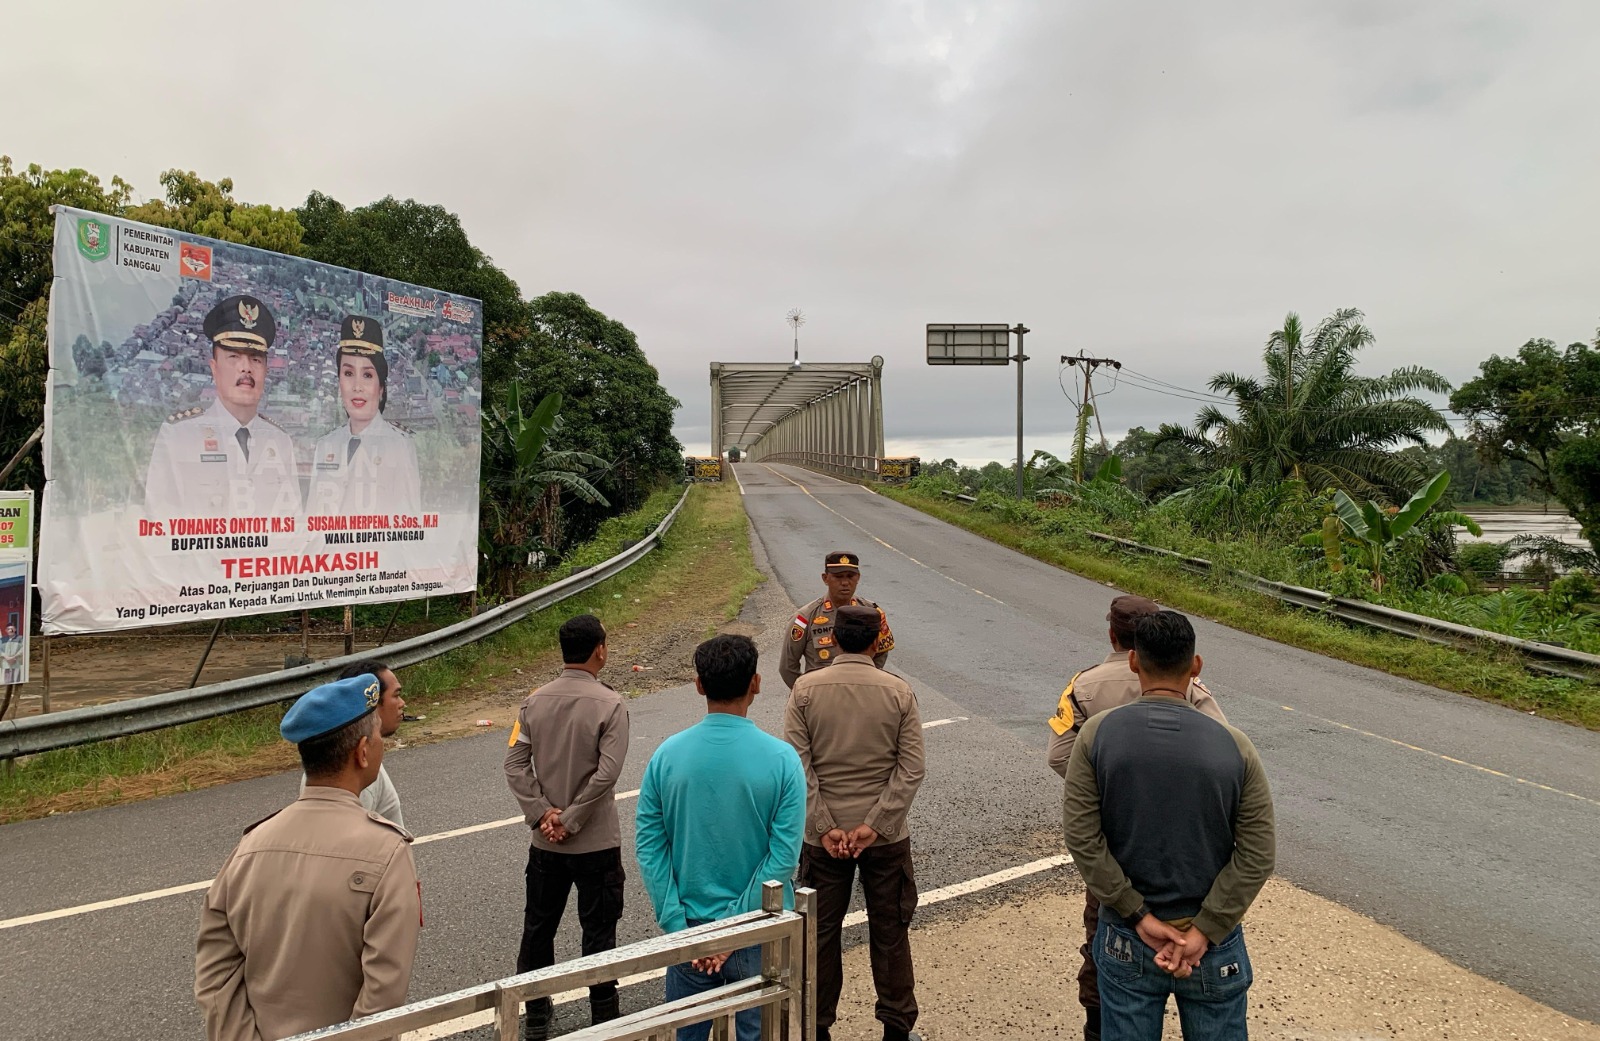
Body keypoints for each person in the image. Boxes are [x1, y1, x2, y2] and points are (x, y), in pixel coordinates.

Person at [1061, 611, 1275, 1041]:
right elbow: (1258, 854)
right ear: (1195, 666)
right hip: (1212, 944)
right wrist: (1205, 929)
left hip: (1127, 936)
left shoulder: (1097, 735)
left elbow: (1082, 837)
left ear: (1134, 661)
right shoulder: (1235, 745)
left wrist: (1136, 913)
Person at [195, 673, 420, 1041]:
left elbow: (216, 974)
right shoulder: (388, 852)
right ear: (363, 751)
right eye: (378, 735)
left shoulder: (249, 848)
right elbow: (383, 995)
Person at [1046, 594, 1227, 1041]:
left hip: (1114, 846)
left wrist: (1105, 790)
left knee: (1103, 936)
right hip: (1185, 855)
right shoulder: (1190, 688)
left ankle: (1099, 1025)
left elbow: (1059, 755)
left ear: (1115, 637)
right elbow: (1222, 754)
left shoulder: (1084, 686)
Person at [635, 634, 806, 1041]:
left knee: (686, 1032)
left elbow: (650, 845)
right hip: (757, 926)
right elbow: (783, 858)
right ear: (756, 683)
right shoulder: (783, 760)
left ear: (699, 685)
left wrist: (678, 925)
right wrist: (731, 930)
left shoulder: (666, 756)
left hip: (689, 927)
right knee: (757, 1032)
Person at [784, 605, 925, 1041]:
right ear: (875, 641)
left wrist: (824, 825)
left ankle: (816, 1027)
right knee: (890, 932)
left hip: (822, 840)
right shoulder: (898, 691)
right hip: (884, 839)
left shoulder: (805, 690)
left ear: (833, 639)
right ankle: (897, 1028)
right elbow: (911, 767)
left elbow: (798, 765)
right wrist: (876, 824)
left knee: (820, 936)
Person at [504, 614, 630, 1039]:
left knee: (539, 927)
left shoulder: (533, 702)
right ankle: (603, 1015)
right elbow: (607, 773)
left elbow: (515, 764)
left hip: (546, 845)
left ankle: (536, 1014)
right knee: (599, 931)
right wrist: (572, 819)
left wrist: (544, 814)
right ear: (600, 650)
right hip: (595, 843)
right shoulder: (610, 704)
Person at [144, 294, 301, 518]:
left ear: (266, 370)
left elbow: (292, 523)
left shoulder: (279, 441)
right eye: (234, 356)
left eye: (256, 359)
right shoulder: (179, 435)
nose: (246, 368)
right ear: (214, 368)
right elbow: (158, 522)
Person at [307, 315, 423, 519]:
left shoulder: (399, 446)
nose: (357, 387)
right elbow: (312, 521)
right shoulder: (326, 445)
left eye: (367, 375)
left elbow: (408, 525)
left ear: (381, 388)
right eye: (348, 374)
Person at [299, 659, 408, 828]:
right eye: (395, 695)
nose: (402, 703)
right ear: (372, 703)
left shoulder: (332, 761)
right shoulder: (356, 775)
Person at [779, 551, 895, 689]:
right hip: (821, 696)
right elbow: (787, 667)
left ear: (858, 577)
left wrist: (867, 686)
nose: (845, 582)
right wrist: (806, 693)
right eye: (838, 577)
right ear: (825, 578)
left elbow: (881, 652)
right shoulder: (805, 617)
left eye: (850, 576)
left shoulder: (872, 612)